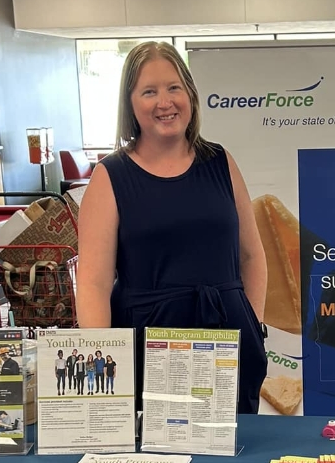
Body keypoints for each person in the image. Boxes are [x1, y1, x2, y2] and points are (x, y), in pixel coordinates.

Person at [76, 41, 267, 414]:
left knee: (235, 459)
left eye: (174, 87)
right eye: (149, 91)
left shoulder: (220, 162)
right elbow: (94, 283)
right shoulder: (110, 177)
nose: (165, 102)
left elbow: (252, 255)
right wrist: (102, 374)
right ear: (130, 103)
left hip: (228, 343)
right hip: (148, 349)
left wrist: (254, 326)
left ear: (190, 95)